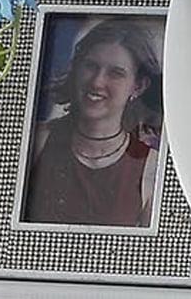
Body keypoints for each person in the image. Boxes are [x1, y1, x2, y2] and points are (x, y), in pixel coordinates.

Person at [24, 16, 162, 228]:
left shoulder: (151, 167)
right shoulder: (37, 142)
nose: (97, 81)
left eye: (116, 73)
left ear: (138, 87)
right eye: (90, 66)